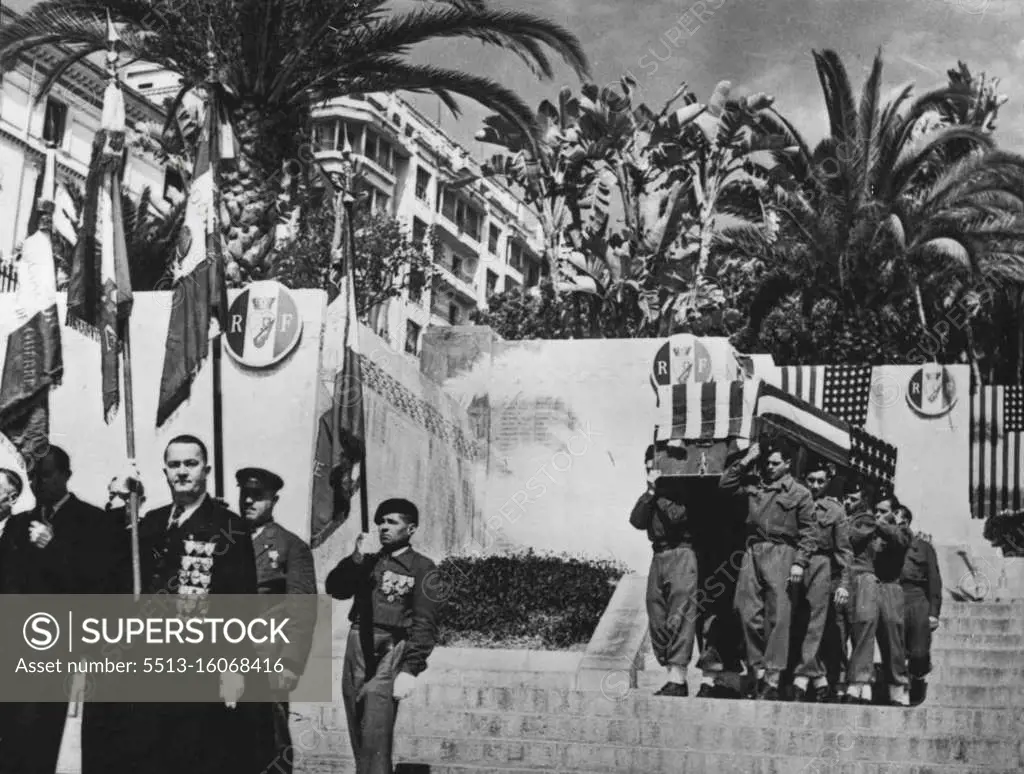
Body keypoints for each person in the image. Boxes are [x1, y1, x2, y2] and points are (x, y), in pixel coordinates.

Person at [81, 435, 274, 774]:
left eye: (191, 463)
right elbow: (111, 569)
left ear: (206, 470)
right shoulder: (151, 522)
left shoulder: (229, 527)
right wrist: (118, 501)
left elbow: (239, 602)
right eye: (174, 465)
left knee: (193, 756)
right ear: (165, 471)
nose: (182, 472)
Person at [0, 446, 119, 774]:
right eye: (35, 475)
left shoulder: (94, 522)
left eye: (48, 474)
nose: (39, 483)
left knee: (49, 734)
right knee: (14, 737)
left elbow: (98, 583)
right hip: (20, 646)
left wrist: (53, 548)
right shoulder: (18, 524)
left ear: (66, 475)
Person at [326, 498, 439, 774]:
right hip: (358, 643)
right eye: (381, 522)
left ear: (410, 529)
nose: (383, 528)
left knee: (376, 729)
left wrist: (411, 668)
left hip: (391, 647)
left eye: (392, 522)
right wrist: (355, 558)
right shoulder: (368, 561)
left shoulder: (423, 567)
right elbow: (336, 588)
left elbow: (426, 622)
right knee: (357, 723)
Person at [236, 467, 318, 774]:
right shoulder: (226, 539)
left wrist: (291, 663)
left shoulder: (290, 546)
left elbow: (302, 610)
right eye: (245, 494)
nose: (249, 502)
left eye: (258, 497)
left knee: (270, 740)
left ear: (274, 500)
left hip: (266, 655)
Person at [720, 440, 816, 700]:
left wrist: (800, 561)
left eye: (776, 463)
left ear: (788, 464)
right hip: (753, 551)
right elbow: (725, 485)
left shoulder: (800, 493)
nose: (770, 467)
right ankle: (759, 671)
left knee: (779, 616)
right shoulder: (754, 483)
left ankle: (772, 680)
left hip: (782, 552)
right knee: (745, 610)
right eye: (767, 463)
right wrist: (746, 460)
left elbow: (809, 532)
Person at [629, 445, 698, 697]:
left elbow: (678, 517)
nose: (651, 471)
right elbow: (637, 520)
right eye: (648, 467)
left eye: (656, 467)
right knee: (656, 611)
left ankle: (678, 677)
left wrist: (659, 493)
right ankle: (670, 670)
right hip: (658, 555)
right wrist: (650, 492)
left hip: (682, 552)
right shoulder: (652, 493)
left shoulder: (682, 491)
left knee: (680, 613)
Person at [788, 460, 852, 702]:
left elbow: (844, 551)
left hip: (820, 565)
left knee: (815, 623)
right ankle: (819, 678)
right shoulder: (796, 502)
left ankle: (802, 679)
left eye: (820, 481)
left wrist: (844, 584)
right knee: (792, 621)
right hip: (793, 562)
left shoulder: (835, 511)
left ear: (827, 483)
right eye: (811, 480)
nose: (815, 485)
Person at [847, 494, 913, 706]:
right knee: (864, 629)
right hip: (869, 582)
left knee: (892, 635)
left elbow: (900, 540)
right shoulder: (870, 530)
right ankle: (860, 684)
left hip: (890, 586)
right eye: (876, 511)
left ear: (895, 513)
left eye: (883, 511)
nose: (877, 515)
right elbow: (853, 539)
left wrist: (875, 523)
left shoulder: (901, 530)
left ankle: (898, 688)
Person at [898, 505, 942, 706]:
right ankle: (898, 687)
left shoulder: (924, 548)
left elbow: (934, 579)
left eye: (900, 523)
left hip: (917, 598)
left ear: (907, 523)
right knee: (896, 648)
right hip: (894, 595)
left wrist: (934, 612)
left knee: (919, 650)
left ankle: (917, 677)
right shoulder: (884, 545)